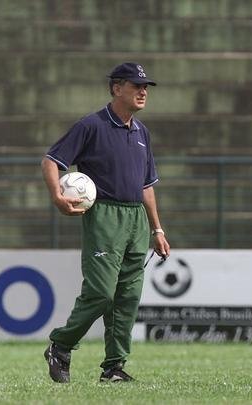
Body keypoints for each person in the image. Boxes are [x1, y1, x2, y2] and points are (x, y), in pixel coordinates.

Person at [41, 62, 170, 383]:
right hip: (105, 216)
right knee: (102, 292)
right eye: (136, 85)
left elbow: (146, 185)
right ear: (116, 88)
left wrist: (157, 229)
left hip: (136, 219)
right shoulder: (91, 125)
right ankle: (61, 344)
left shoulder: (142, 132)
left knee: (127, 297)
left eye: (146, 87)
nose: (143, 92)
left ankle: (114, 367)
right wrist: (58, 197)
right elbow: (51, 161)